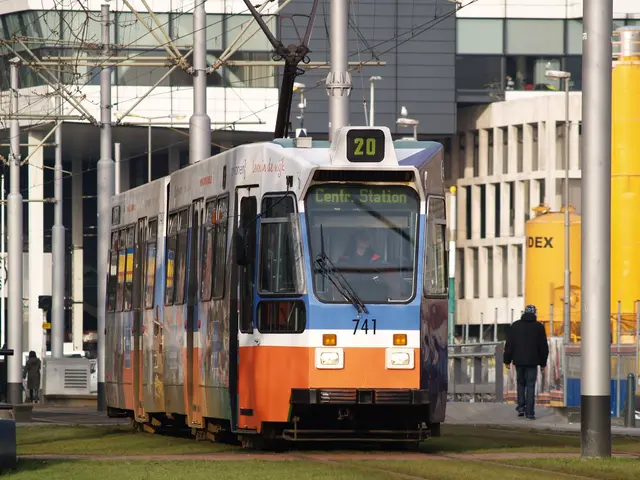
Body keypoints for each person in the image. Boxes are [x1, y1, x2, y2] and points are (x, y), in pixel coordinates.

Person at [503, 305, 549, 420]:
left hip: (519, 361)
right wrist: (543, 363)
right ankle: (530, 413)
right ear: (535, 313)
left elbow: (509, 345)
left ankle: (521, 408)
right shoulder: (539, 327)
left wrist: (507, 360)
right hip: (533, 362)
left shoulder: (515, 326)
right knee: (530, 385)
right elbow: (543, 347)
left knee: (520, 384)